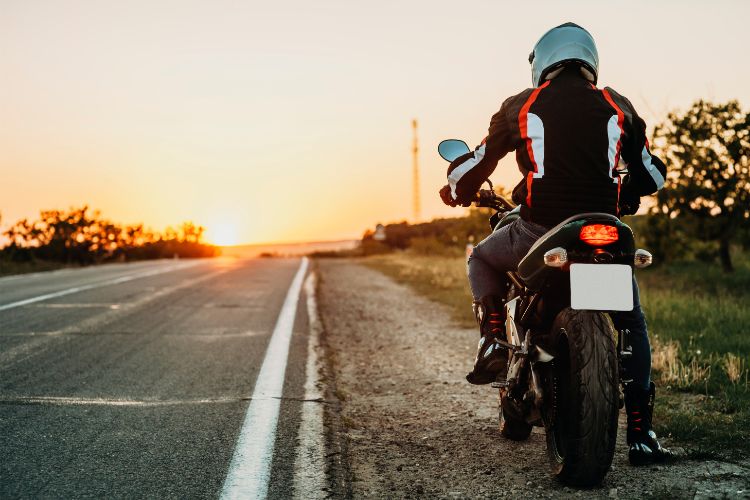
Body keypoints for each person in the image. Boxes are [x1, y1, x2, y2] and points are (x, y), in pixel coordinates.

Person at [438, 22, 672, 466]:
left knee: (482, 257)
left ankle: (491, 340)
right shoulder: (616, 105)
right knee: (633, 322)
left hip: (538, 229)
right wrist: (630, 193)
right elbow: (650, 174)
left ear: (541, 63)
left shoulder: (521, 105)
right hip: (606, 230)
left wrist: (456, 189)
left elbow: (477, 162)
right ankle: (641, 434)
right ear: (590, 61)